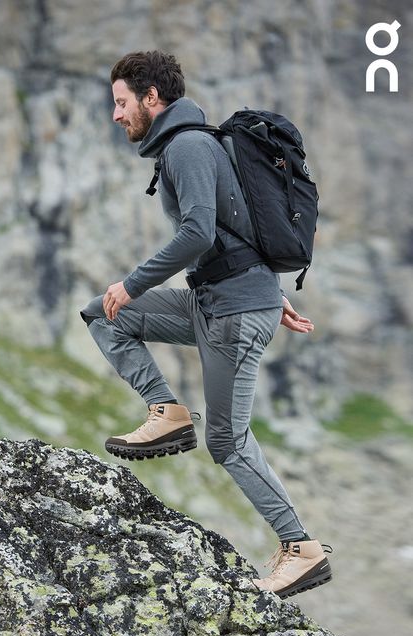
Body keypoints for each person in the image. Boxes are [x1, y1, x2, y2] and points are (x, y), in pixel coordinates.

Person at [80, 50, 332, 598]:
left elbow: (196, 233)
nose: (116, 116)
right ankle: (166, 411)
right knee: (103, 315)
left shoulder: (189, 145)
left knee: (227, 440)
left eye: (122, 103)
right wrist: (268, 291)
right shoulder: (190, 142)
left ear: (152, 97)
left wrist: (133, 283)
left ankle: (301, 548)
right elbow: (231, 226)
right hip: (223, 302)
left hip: (234, 311)